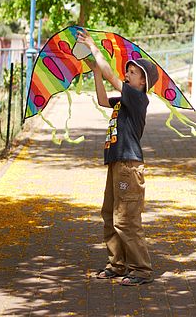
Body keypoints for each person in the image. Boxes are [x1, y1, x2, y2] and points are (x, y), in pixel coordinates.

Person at [76, 28, 159, 285]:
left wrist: (94, 48)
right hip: (117, 163)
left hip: (128, 165)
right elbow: (102, 100)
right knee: (110, 214)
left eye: (132, 72)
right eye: (128, 71)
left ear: (142, 82)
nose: (127, 73)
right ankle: (117, 264)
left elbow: (114, 76)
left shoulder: (137, 98)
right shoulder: (125, 99)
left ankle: (141, 270)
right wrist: (96, 73)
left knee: (126, 219)